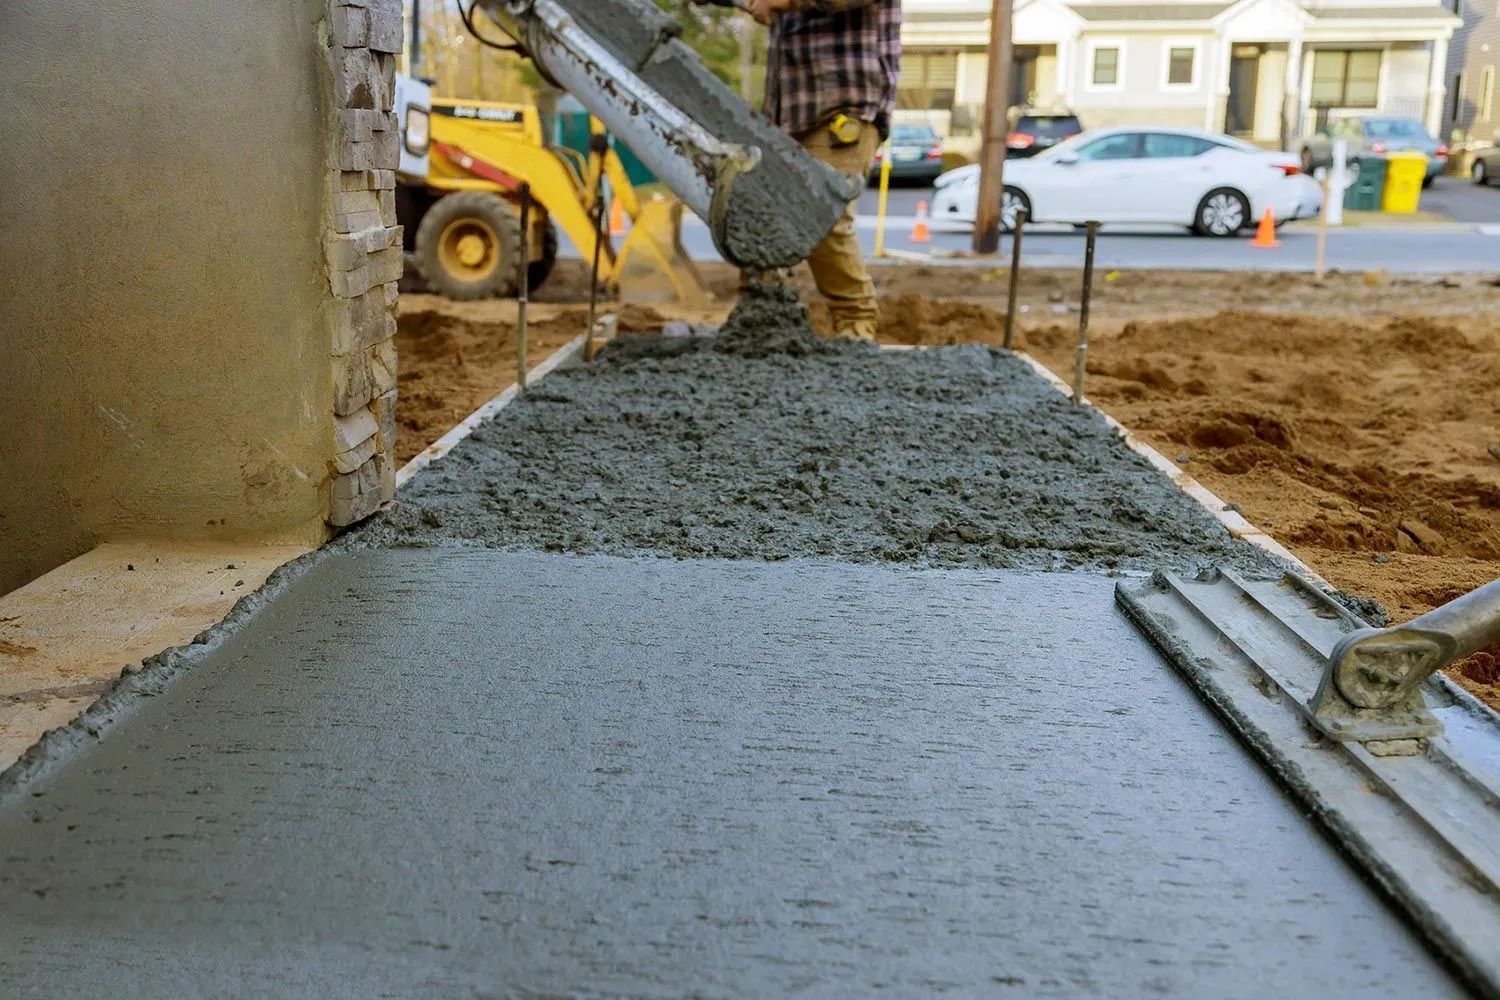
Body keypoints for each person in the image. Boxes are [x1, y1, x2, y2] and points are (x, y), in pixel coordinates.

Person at [745, 0, 902, 342]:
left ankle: (856, 325)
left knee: (823, 216)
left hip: (842, 106)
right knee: (758, 216)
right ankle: (763, 325)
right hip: (788, 112)